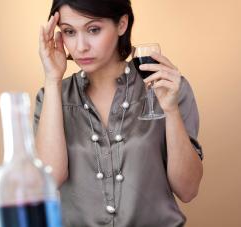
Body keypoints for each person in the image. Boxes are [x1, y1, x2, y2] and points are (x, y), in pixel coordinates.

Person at [34, 0, 204, 226]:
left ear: (122, 24)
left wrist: (171, 109)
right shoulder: (50, 97)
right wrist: (52, 79)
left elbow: (188, 190)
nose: (81, 46)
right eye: (69, 32)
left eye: (93, 29)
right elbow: (50, 179)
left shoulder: (167, 87)